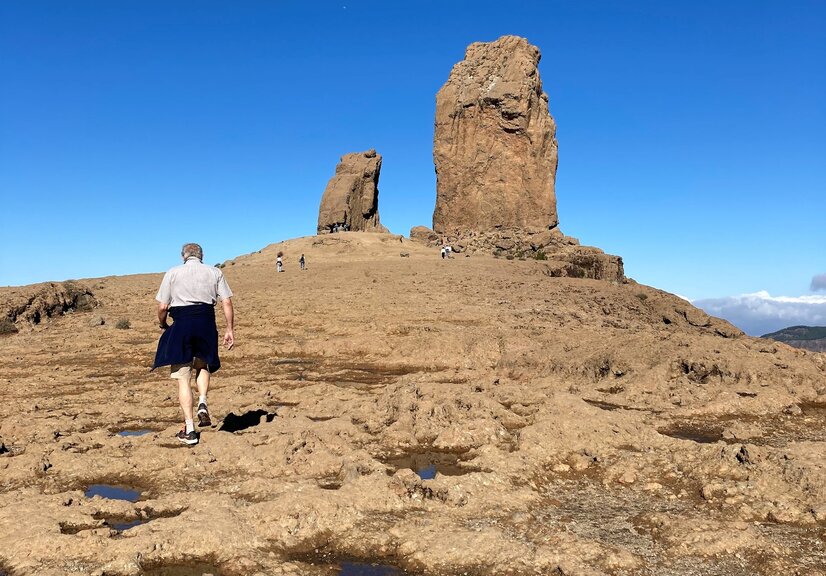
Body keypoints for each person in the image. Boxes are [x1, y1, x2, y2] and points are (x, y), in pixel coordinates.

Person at [152, 243, 235, 445]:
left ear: (183, 256)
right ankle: (203, 401)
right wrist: (229, 329)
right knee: (203, 364)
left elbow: (163, 307)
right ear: (202, 256)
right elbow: (226, 302)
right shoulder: (215, 272)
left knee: (183, 378)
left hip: (182, 325)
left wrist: (163, 323)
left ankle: (189, 430)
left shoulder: (173, 272)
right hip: (206, 324)